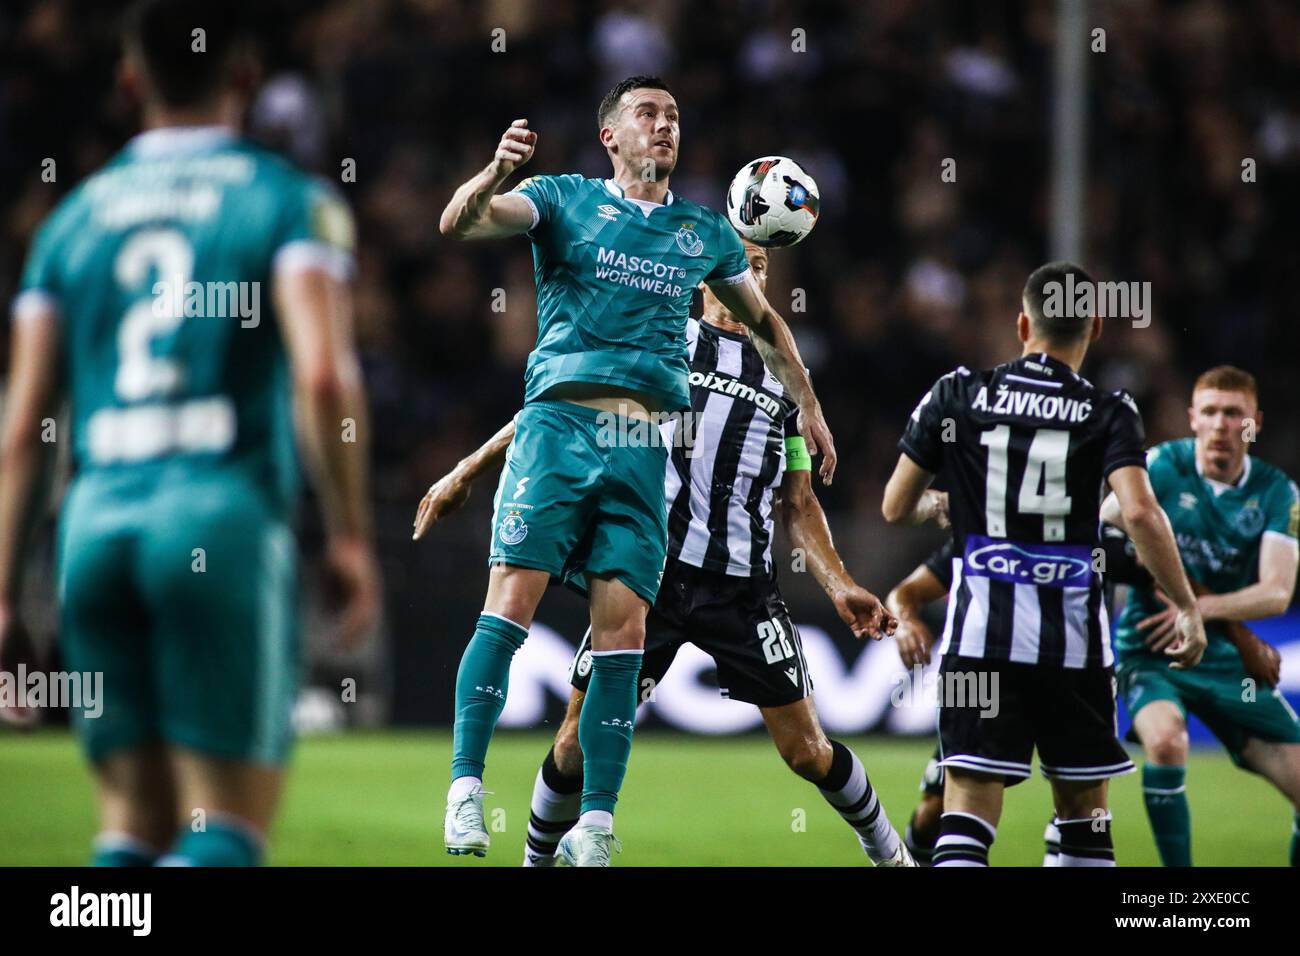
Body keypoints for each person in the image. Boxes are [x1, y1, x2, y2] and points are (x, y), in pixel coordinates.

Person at [0, 0, 379, 866]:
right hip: (219, 522)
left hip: (93, 530)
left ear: (129, 80)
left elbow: (23, 428)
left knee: (128, 831)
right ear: (245, 74)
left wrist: (2, 588)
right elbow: (324, 376)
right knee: (222, 831)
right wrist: (351, 534)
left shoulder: (67, 225)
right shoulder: (290, 203)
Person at [435, 75, 834, 865]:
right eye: (647, 114)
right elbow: (460, 223)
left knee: (625, 634)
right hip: (558, 428)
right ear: (611, 135)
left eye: (674, 116)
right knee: (510, 605)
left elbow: (767, 323)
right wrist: (494, 173)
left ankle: (596, 825)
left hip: (641, 444)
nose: (664, 126)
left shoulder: (702, 233)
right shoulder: (564, 199)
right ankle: (465, 792)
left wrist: (810, 408)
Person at [416, 240, 913, 867]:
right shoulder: (661, 338)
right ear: (706, 278)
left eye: (761, 268)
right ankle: (536, 860)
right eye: (740, 266)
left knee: (808, 751)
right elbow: (563, 401)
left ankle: (890, 852)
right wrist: (468, 468)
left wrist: (839, 582)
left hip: (742, 589)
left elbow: (798, 502)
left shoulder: (787, 377)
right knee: (573, 742)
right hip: (647, 575)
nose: (750, 277)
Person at [880, 261, 1206, 866]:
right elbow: (1139, 512)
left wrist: (944, 504)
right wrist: (1186, 604)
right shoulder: (1111, 411)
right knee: (1085, 820)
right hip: (1074, 648)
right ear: (1096, 328)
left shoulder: (959, 393)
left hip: (980, 641)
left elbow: (895, 505)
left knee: (967, 815)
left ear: (1023, 323)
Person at [1108, 365, 1300, 866]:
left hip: (1226, 663)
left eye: (1233, 413)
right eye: (1209, 411)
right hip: (1152, 650)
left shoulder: (1279, 493)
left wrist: (1197, 610)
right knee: (1167, 742)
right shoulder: (1159, 466)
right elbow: (1103, 530)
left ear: (1253, 422)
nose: (1220, 424)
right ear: (1192, 418)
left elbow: (1277, 593)